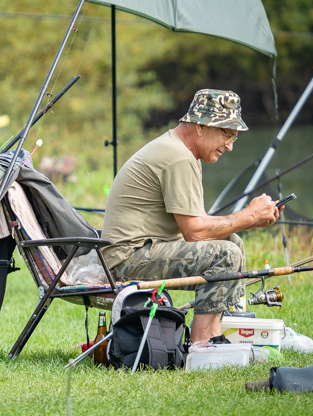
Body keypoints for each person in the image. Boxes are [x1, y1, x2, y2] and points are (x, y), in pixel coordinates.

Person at [101, 89, 284, 344]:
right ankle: (201, 347)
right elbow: (195, 232)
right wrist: (250, 214)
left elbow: (200, 225)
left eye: (234, 138)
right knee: (226, 254)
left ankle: (216, 334)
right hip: (126, 260)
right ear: (199, 125)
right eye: (226, 134)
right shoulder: (177, 157)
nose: (230, 146)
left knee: (233, 244)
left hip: (142, 251)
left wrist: (253, 220)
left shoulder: (182, 151)